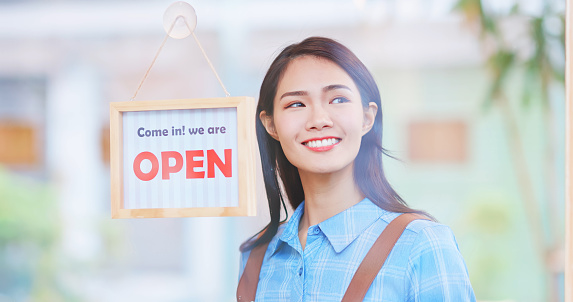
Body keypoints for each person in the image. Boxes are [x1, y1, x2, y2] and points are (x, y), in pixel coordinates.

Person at [238, 36, 475, 301]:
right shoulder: (257, 256)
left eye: (338, 99)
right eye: (296, 104)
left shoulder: (422, 245)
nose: (319, 120)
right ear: (271, 125)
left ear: (367, 117)